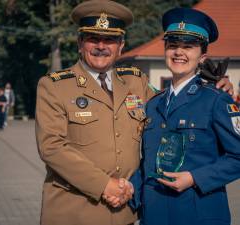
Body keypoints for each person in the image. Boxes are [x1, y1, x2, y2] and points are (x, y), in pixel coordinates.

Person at [35, 1, 233, 225]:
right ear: (80, 43)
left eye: (110, 40)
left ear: (121, 45)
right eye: (93, 39)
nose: (102, 46)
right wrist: (104, 185)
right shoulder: (54, 86)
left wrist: (216, 84)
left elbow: (180, 101)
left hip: (125, 214)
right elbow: (52, 147)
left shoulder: (135, 81)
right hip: (76, 211)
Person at [129, 7, 240, 225]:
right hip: (154, 215)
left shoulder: (216, 99)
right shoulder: (153, 104)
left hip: (198, 214)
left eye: (188, 46)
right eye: (172, 45)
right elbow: (147, 163)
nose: (179, 52)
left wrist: (195, 178)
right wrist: (127, 189)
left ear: (202, 57)